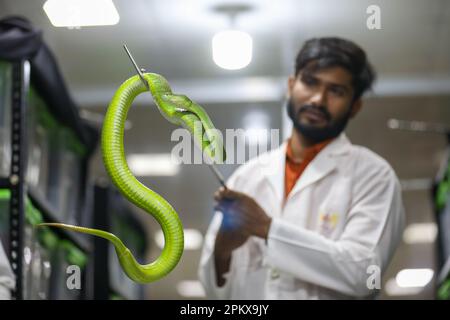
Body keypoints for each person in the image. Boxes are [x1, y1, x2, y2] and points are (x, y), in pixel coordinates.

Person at [198, 37, 405, 299]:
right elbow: (212, 290)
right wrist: (222, 251)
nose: (318, 99)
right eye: (310, 82)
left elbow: (364, 273)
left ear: (355, 107)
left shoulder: (373, 175)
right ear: (291, 85)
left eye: (336, 91)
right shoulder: (247, 176)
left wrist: (268, 229)